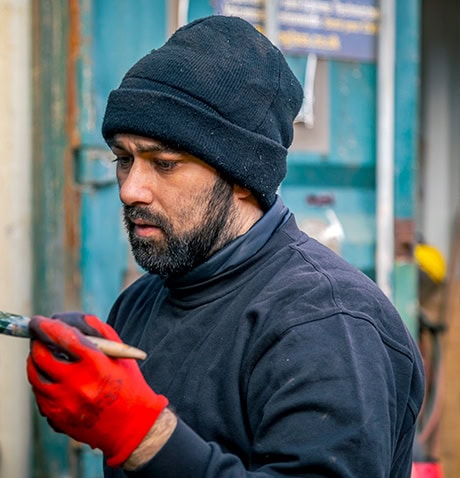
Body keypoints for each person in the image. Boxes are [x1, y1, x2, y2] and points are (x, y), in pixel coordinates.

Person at [26, 15, 425, 477]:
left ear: (241, 177)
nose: (130, 189)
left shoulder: (327, 324)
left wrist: (143, 434)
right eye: (124, 159)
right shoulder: (141, 303)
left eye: (165, 163)